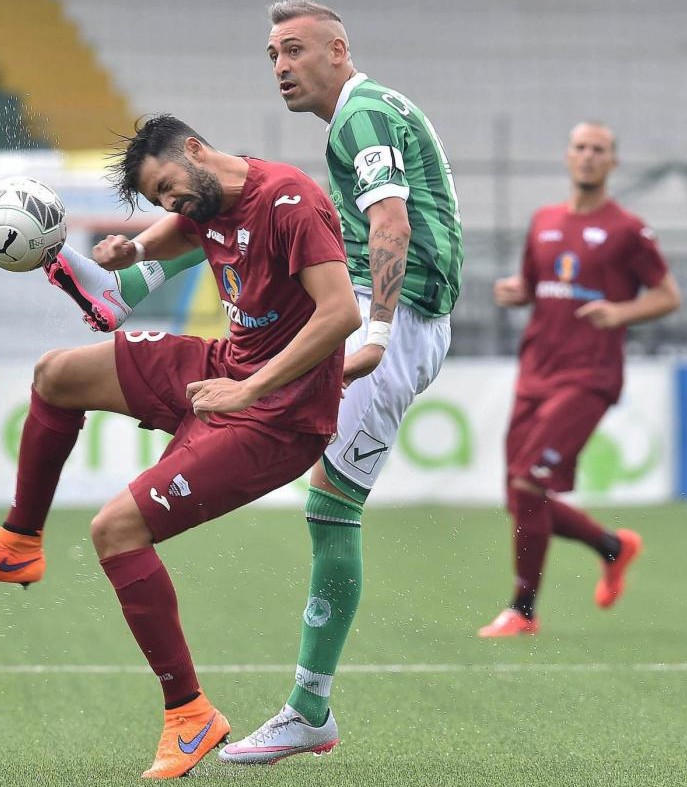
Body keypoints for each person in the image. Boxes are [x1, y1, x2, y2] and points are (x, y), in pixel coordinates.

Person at [0, 113, 360, 779]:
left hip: (278, 416)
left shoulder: (291, 201)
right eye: (158, 200)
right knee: (56, 374)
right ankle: (17, 543)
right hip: (221, 368)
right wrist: (136, 248)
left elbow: (340, 312)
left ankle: (189, 712)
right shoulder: (208, 201)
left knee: (115, 529)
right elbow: (188, 226)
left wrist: (248, 392)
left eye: (167, 188)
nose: (170, 204)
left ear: (193, 150)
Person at [212, 1, 465, 765]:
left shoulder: (360, 115)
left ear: (337, 49)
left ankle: (308, 709)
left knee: (331, 500)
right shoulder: (367, 114)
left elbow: (391, 221)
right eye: (271, 55)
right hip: (387, 312)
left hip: (396, 318)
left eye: (293, 50)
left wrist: (378, 329)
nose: (282, 66)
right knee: (319, 484)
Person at [477, 122, 680, 638]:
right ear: (568, 157)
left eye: (599, 150)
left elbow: (667, 295)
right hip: (535, 370)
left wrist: (620, 312)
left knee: (528, 482)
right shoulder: (543, 220)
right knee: (518, 496)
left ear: (613, 163)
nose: (588, 157)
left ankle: (523, 610)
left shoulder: (628, 230)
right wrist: (516, 292)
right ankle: (612, 547)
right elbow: (537, 284)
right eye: (581, 148)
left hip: (588, 375)